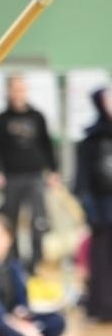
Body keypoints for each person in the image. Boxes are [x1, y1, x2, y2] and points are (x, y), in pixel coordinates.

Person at [0, 76, 59, 270]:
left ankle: (37, 262)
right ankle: (14, 262)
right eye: (15, 89)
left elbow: (47, 145)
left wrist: (53, 170)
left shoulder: (37, 116)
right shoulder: (2, 119)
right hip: (12, 177)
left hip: (35, 175)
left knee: (39, 221)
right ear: (9, 92)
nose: (19, 93)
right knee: (11, 220)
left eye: (22, 89)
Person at [74, 87, 112, 322]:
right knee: (101, 258)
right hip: (102, 206)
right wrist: (91, 211)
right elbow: (83, 181)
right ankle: (103, 306)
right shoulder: (91, 139)